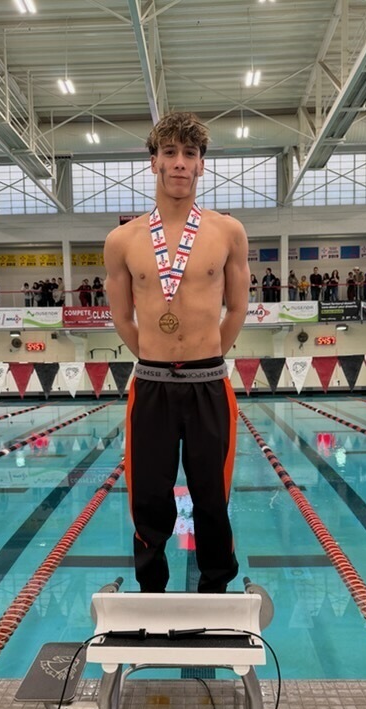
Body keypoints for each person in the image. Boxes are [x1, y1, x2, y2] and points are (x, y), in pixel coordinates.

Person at [103, 111, 249, 594]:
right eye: (170, 153)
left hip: (209, 383)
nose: (180, 163)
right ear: (154, 162)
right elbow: (123, 317)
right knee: (149, 496)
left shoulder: (228, 232)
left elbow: (237, 308)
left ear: (202, 165)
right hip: (152, 385)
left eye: (190, 154)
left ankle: (215, 589)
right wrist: (154, 354)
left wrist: (209, 355)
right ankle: (152, 591)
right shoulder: (122, 240)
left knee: (211, 496)